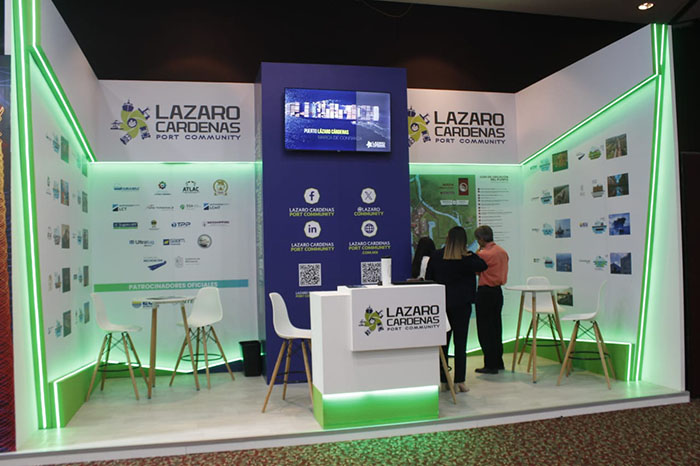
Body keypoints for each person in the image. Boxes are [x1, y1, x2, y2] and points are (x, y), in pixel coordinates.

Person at [426, 227, 487, 393]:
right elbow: (483, 265)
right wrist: (470, 253)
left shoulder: (436, 256)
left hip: (442, 305)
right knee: (460, 344)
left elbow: (428, 278)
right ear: (464, 241)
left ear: (447, 238)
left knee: (443, 344)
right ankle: (460, 381)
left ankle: (444, 380)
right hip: (462, 306)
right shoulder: (467, 258)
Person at [474, 225, 509, 374]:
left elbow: (476, 270)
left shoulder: (483, 254)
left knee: (485, 330)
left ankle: (490, 364)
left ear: (481, 239)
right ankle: (498, 361)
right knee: (496, 328)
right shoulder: (502, 251)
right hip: (497, 292)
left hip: (485, 293)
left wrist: (477, 252)